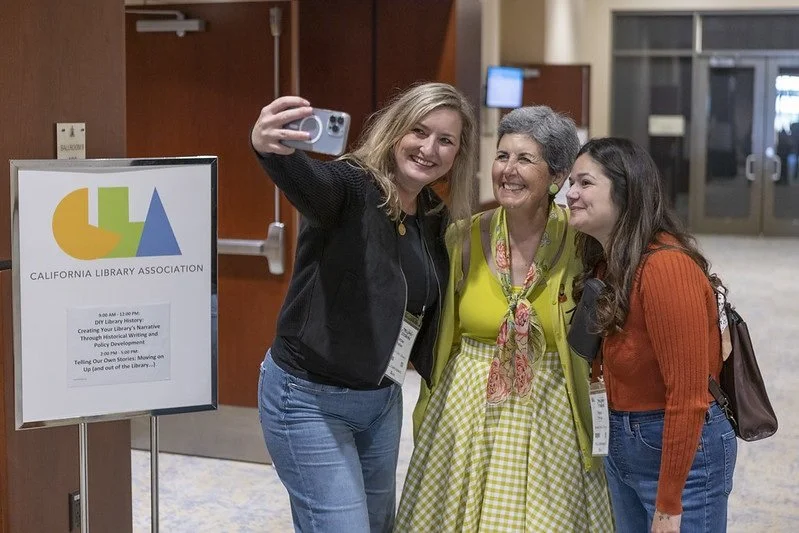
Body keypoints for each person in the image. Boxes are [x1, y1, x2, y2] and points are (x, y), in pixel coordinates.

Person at [250, 82, 477, 533]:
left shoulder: (432, 214)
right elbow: (310, 183)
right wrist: (269, 148)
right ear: (396, 131)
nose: (429, 148)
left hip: (380, 401)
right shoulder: (352, 186)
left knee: (376, 526)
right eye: (419, 131)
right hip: (308, 399)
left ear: (457, 154)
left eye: (445, 140)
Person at [396, 106, 613, 532]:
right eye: (502, 156)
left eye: (525, 159)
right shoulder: (463, 236)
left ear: (556, 176)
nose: (508, 171)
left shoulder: (583, 241)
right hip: (465, 408)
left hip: (553, 406)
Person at [566, 137, 737, 533]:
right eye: (571, 183)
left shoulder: (663, 267)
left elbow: (689, 396)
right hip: (625, 440)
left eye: (585, 183)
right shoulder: (610, 262)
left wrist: (669, 505)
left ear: (625, 191)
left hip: (680, 450)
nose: (571, 194)